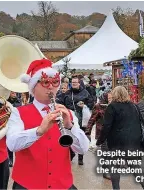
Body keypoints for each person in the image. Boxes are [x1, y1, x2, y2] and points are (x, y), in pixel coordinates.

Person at [7, 59, 89, 189]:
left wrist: (69, 127)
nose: (51, 86)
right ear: (33, 86)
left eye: (55, 82)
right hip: (27, 186)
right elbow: (12, 144)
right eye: (45, 82)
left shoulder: (68, 113)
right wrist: (38, 131)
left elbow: (83, 149)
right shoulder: (18, 113)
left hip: (62, 185)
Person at [96, 86, 144, 190]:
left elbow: (106, 126)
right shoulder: (134, 106)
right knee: (134, 167)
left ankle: (116, 188)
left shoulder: (112, 106)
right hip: (133, 141)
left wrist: (100, 140)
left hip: (116, 142)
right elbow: (141, 122)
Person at [63, 76, 95, 165]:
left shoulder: (85, 92)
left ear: (79, 83)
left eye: (75, 82)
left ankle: (80, 158)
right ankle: (71, 154)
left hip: (81, 119)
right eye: (72, 82)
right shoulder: (68, 93)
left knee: (80, 137)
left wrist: (84, 105)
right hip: (70, 118)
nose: (74, 84)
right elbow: (62, 102)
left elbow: (91, 103)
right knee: (70, 136)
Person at [85, 91, 112, 180]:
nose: (110, 99)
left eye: (112, 98)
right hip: (102, 133)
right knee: (105, 153)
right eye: (109, 98)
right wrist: (87, 131)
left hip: (114, 133)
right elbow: (92, 119)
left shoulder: (115, 105)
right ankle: (105, 172)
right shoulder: (98, 106)